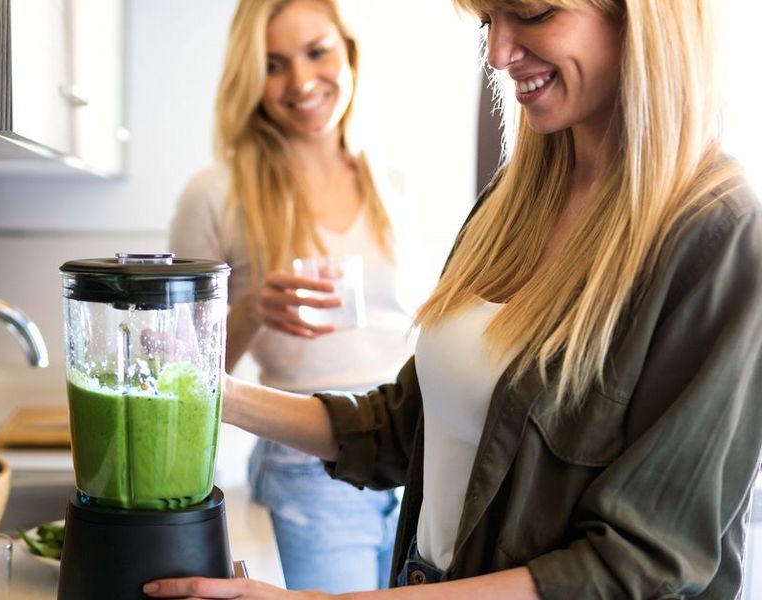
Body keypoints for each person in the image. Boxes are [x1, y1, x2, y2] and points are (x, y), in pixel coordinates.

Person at [149, 0, 762, 598]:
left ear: (644, 18)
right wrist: (212, 390)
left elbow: (641, 563)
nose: (497, 54)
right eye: (489, 23)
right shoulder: (514, 200)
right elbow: (410, 426)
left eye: (532, 14)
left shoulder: (718, 234)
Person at [169, 0, 428, 592]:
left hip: (413, 448)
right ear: (249, 78)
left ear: (349, 52)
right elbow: (180, 373)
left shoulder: (391, 181)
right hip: (308, 463)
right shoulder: (216, 194)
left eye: (317, 52)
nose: (303, 82)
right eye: (274, 64)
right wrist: (252, 308)